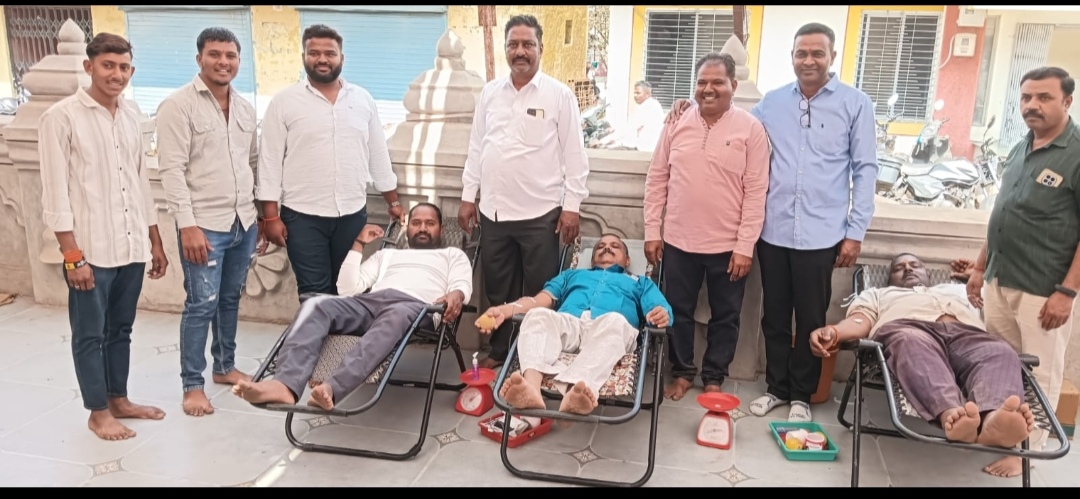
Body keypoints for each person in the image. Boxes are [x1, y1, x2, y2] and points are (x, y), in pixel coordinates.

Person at [666, 22, 877, 421]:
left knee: (811, 317)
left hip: (821, 233)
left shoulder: (856, 104)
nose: (809, 60)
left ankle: (802, 395)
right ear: (792, 57)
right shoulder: (773, 103)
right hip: (774, 230)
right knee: (774, 316)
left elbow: (865, 170)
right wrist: (686, 105)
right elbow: (726, 115)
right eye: (801, 53)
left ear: (832, 57)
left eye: (817, 53)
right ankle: (777, 388)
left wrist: (855, 232)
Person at [38, 32, 169, 440]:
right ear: (89, 67)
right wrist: (72, 256)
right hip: (89, 250)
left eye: (124, 67)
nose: (117, 74)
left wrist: (154, 240)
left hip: (130, 245)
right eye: (108, 65)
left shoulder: (131, 115)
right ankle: (98, 412)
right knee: (89, 334)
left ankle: (119, 399)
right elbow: (55, 193)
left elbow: (140, 182)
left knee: (121, 329)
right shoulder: (61, 117)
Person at [233, 203, 473, 411]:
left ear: (441, 229)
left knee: (396, 314)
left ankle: (332, 388)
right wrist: (358, 244)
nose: (422, 228)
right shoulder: (387, 256)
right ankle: (284, 385)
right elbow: (348, 289)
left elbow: (462, 284)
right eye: (416, 223)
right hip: (370, 303)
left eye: (430, 223)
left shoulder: (452, 255)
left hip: (416, 307)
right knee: (315, 304)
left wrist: (456, 294)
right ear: (407, 228)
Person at [459, 14, 590, 370]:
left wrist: (572, 206)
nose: (520, 51)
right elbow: (477, 147)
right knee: (497, 287)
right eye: (513, 44)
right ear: (505, 49)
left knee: (538, 291)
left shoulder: (559, 95)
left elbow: (575, 156)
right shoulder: (490, 93)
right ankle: (500, 350)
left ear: (540, 48)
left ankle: (533, 355)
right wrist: (469, 196)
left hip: (540, 214)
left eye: (527, 44)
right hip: (494, 212)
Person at [966, 66, 1079, 478]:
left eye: (1044, 97)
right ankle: (1005, 433)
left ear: (1067, 101)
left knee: (1041, 370)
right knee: (1001, 365)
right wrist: (980, 266)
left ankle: (1029, 452)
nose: (1033, 105)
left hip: (1043, 286)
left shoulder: (1076, 152)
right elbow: (1003, 212)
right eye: (1027, 97)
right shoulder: (1021, 146)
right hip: (1000, 279)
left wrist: (1067, 292)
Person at [809, 253, 1036, 458]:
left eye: (914, 265)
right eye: (899, 268)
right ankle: (952, 415)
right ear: (889, 278)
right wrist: (835, 331)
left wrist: (976, 276)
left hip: (967, 335)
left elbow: (998, 302)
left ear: (927, 273)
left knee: (1000, 351)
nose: (908, 269)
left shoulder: (958, 290)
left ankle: (993, 419)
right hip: (910, 329)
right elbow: (860, 320)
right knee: (910, 342)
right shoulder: (878, 294)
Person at [643, 52, 770, 401]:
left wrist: (745, 246)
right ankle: (683, 372)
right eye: (701, 82)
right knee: (676, 311)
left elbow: (756, 191)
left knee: (726, 316)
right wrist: (652, 231)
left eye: (717, 82)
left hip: (728, 247)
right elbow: (657, 178)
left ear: (734, 85)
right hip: (678, 241)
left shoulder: (750, 129)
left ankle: (714, 376)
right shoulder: (676, 122)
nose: (708, 89)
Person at [156, 27, 267, 417]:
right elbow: (171, 170)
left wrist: (260, 216)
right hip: (203, 225)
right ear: (199, 58)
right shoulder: (178, 106)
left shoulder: (245, 108)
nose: (223, 62)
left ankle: (224, 366)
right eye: (215, 54)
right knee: (201, 304)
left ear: (239, 60)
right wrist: (187, 226)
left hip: (243, 221)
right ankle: (192, 385)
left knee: (230, 299)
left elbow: (253, 163)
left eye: (230, 55)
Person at [257, 24, 405, 299]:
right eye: (314, 53)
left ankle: (341, 332)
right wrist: (271, 217)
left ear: (341, 58)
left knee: (347, 288)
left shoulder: (362, 99)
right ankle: (315, 330)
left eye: (330, 53)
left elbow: (378, 155)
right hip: (302, 216)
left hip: (351, 213)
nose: (322, 59)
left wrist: (393, 202)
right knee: (314, 292)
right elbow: (269, 162)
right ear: (303, 57)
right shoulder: (283, 102)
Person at [476, 234, 672, 416]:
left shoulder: (640, 282)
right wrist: (504, 310)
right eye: (600, 246)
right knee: (537, 315)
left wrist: (662, 314)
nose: (607, 248)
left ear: (627, 260)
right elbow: (539, 300)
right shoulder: (571, 275)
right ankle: (531, 389)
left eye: (615, 246)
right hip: (570, 323)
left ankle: (576, 391)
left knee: (616, 321)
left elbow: (660, 308)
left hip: (609, 329)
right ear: (592, 260)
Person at [594, 80, 665, 152]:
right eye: (634, 93)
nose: (635, 96)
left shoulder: (648, 107)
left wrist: (602, 141)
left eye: (638, 93)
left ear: (647, 94)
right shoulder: (652, 104)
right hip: (647, 147)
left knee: (606, 151)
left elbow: (628, 128)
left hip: (644, 148)